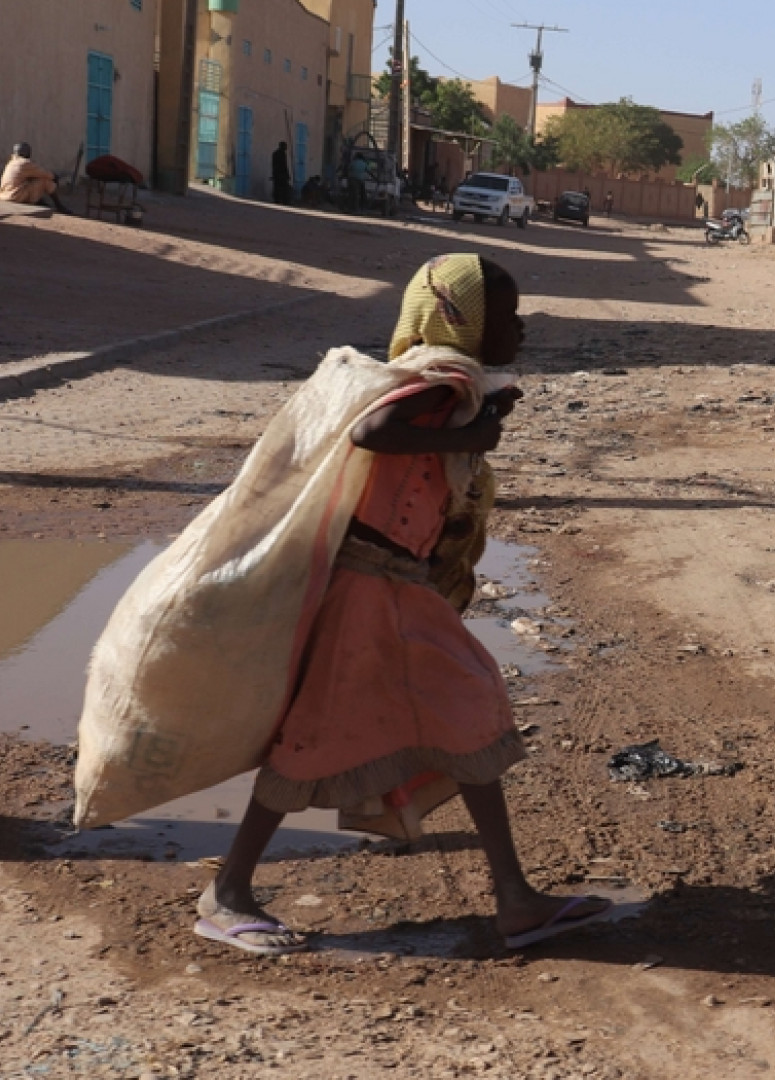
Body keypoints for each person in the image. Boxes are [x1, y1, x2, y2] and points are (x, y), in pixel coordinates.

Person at [194, 253, 613, 956]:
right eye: (507, 315)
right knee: (328, 738)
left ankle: (515, 898)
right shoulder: (435, 379)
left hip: (395, 590)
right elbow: (373, 433)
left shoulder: (450, 383)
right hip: (367, 590)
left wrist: (480, 416)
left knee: (452, 714)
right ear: (463, 318)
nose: (522, 328)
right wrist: (468, 435)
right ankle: (226, 893)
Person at [0, 143, 70, 213]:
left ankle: (39, 201)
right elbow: (43, 174)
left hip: (4, 195)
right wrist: (55, 177)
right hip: (14, 196)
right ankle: (59, 206)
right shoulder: (25, 163)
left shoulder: (12, 162)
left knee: (32, 180)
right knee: (45, 181)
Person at [272, 142, 294, 206]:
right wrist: (287, 174)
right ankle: (284, 200)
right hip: (281, 175)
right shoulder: (282, 154)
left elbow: (273, 165)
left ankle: (277, 200)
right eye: (285, 146)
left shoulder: (275, 153)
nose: (286, 148)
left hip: (276, 174)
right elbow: (284, 165)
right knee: (284, 189)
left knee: (276, 188)